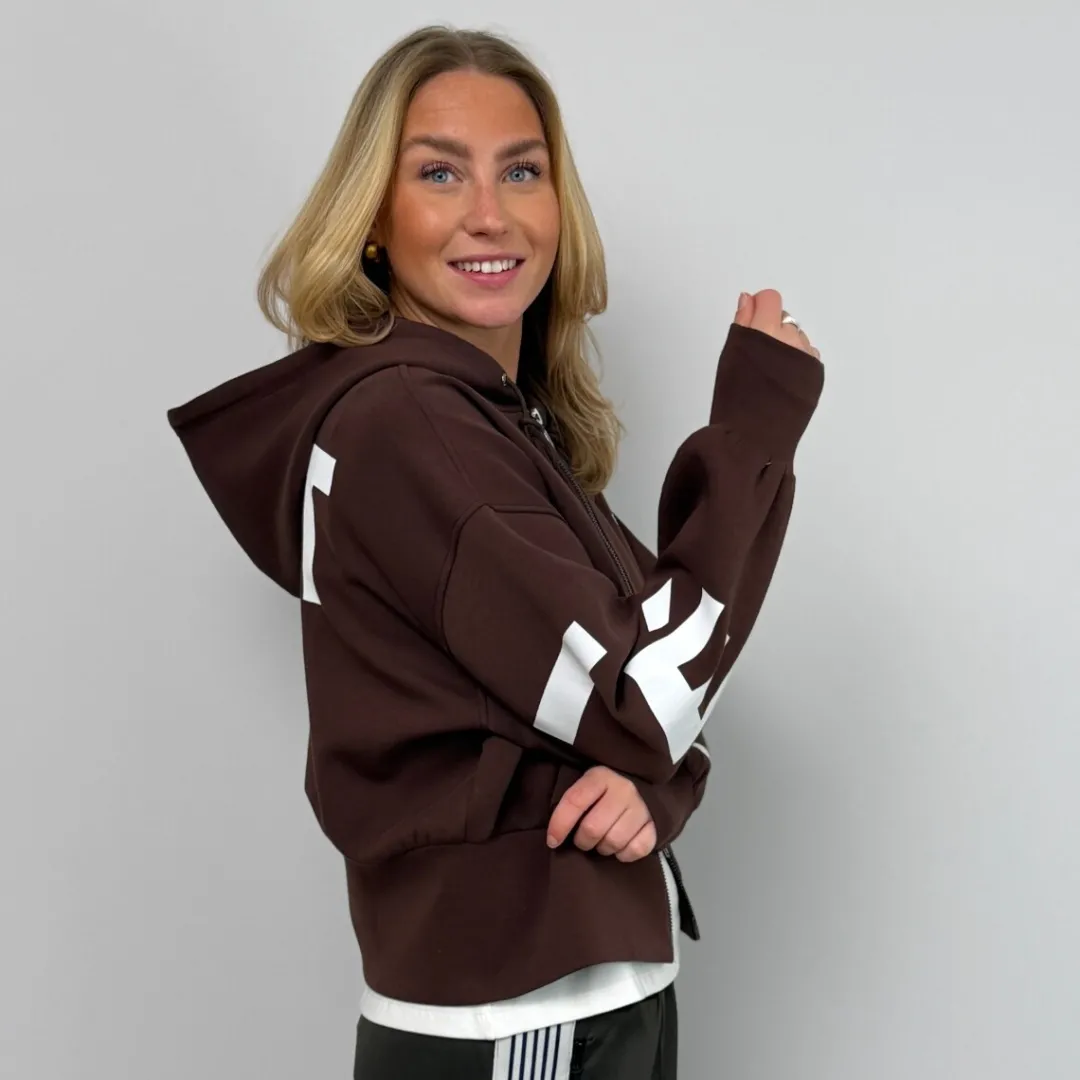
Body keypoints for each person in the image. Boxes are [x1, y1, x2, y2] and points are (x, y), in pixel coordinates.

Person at [166, 23, 823, 1080]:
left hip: (566, 992)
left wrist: (654, 788)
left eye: (522, 170)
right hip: (522, 1009)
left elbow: (651, 667)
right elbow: (649, 698)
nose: (490, 213)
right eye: (439, 173)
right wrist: (752, 435)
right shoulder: (412, 428)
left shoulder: (486, 423)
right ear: (373, 219)